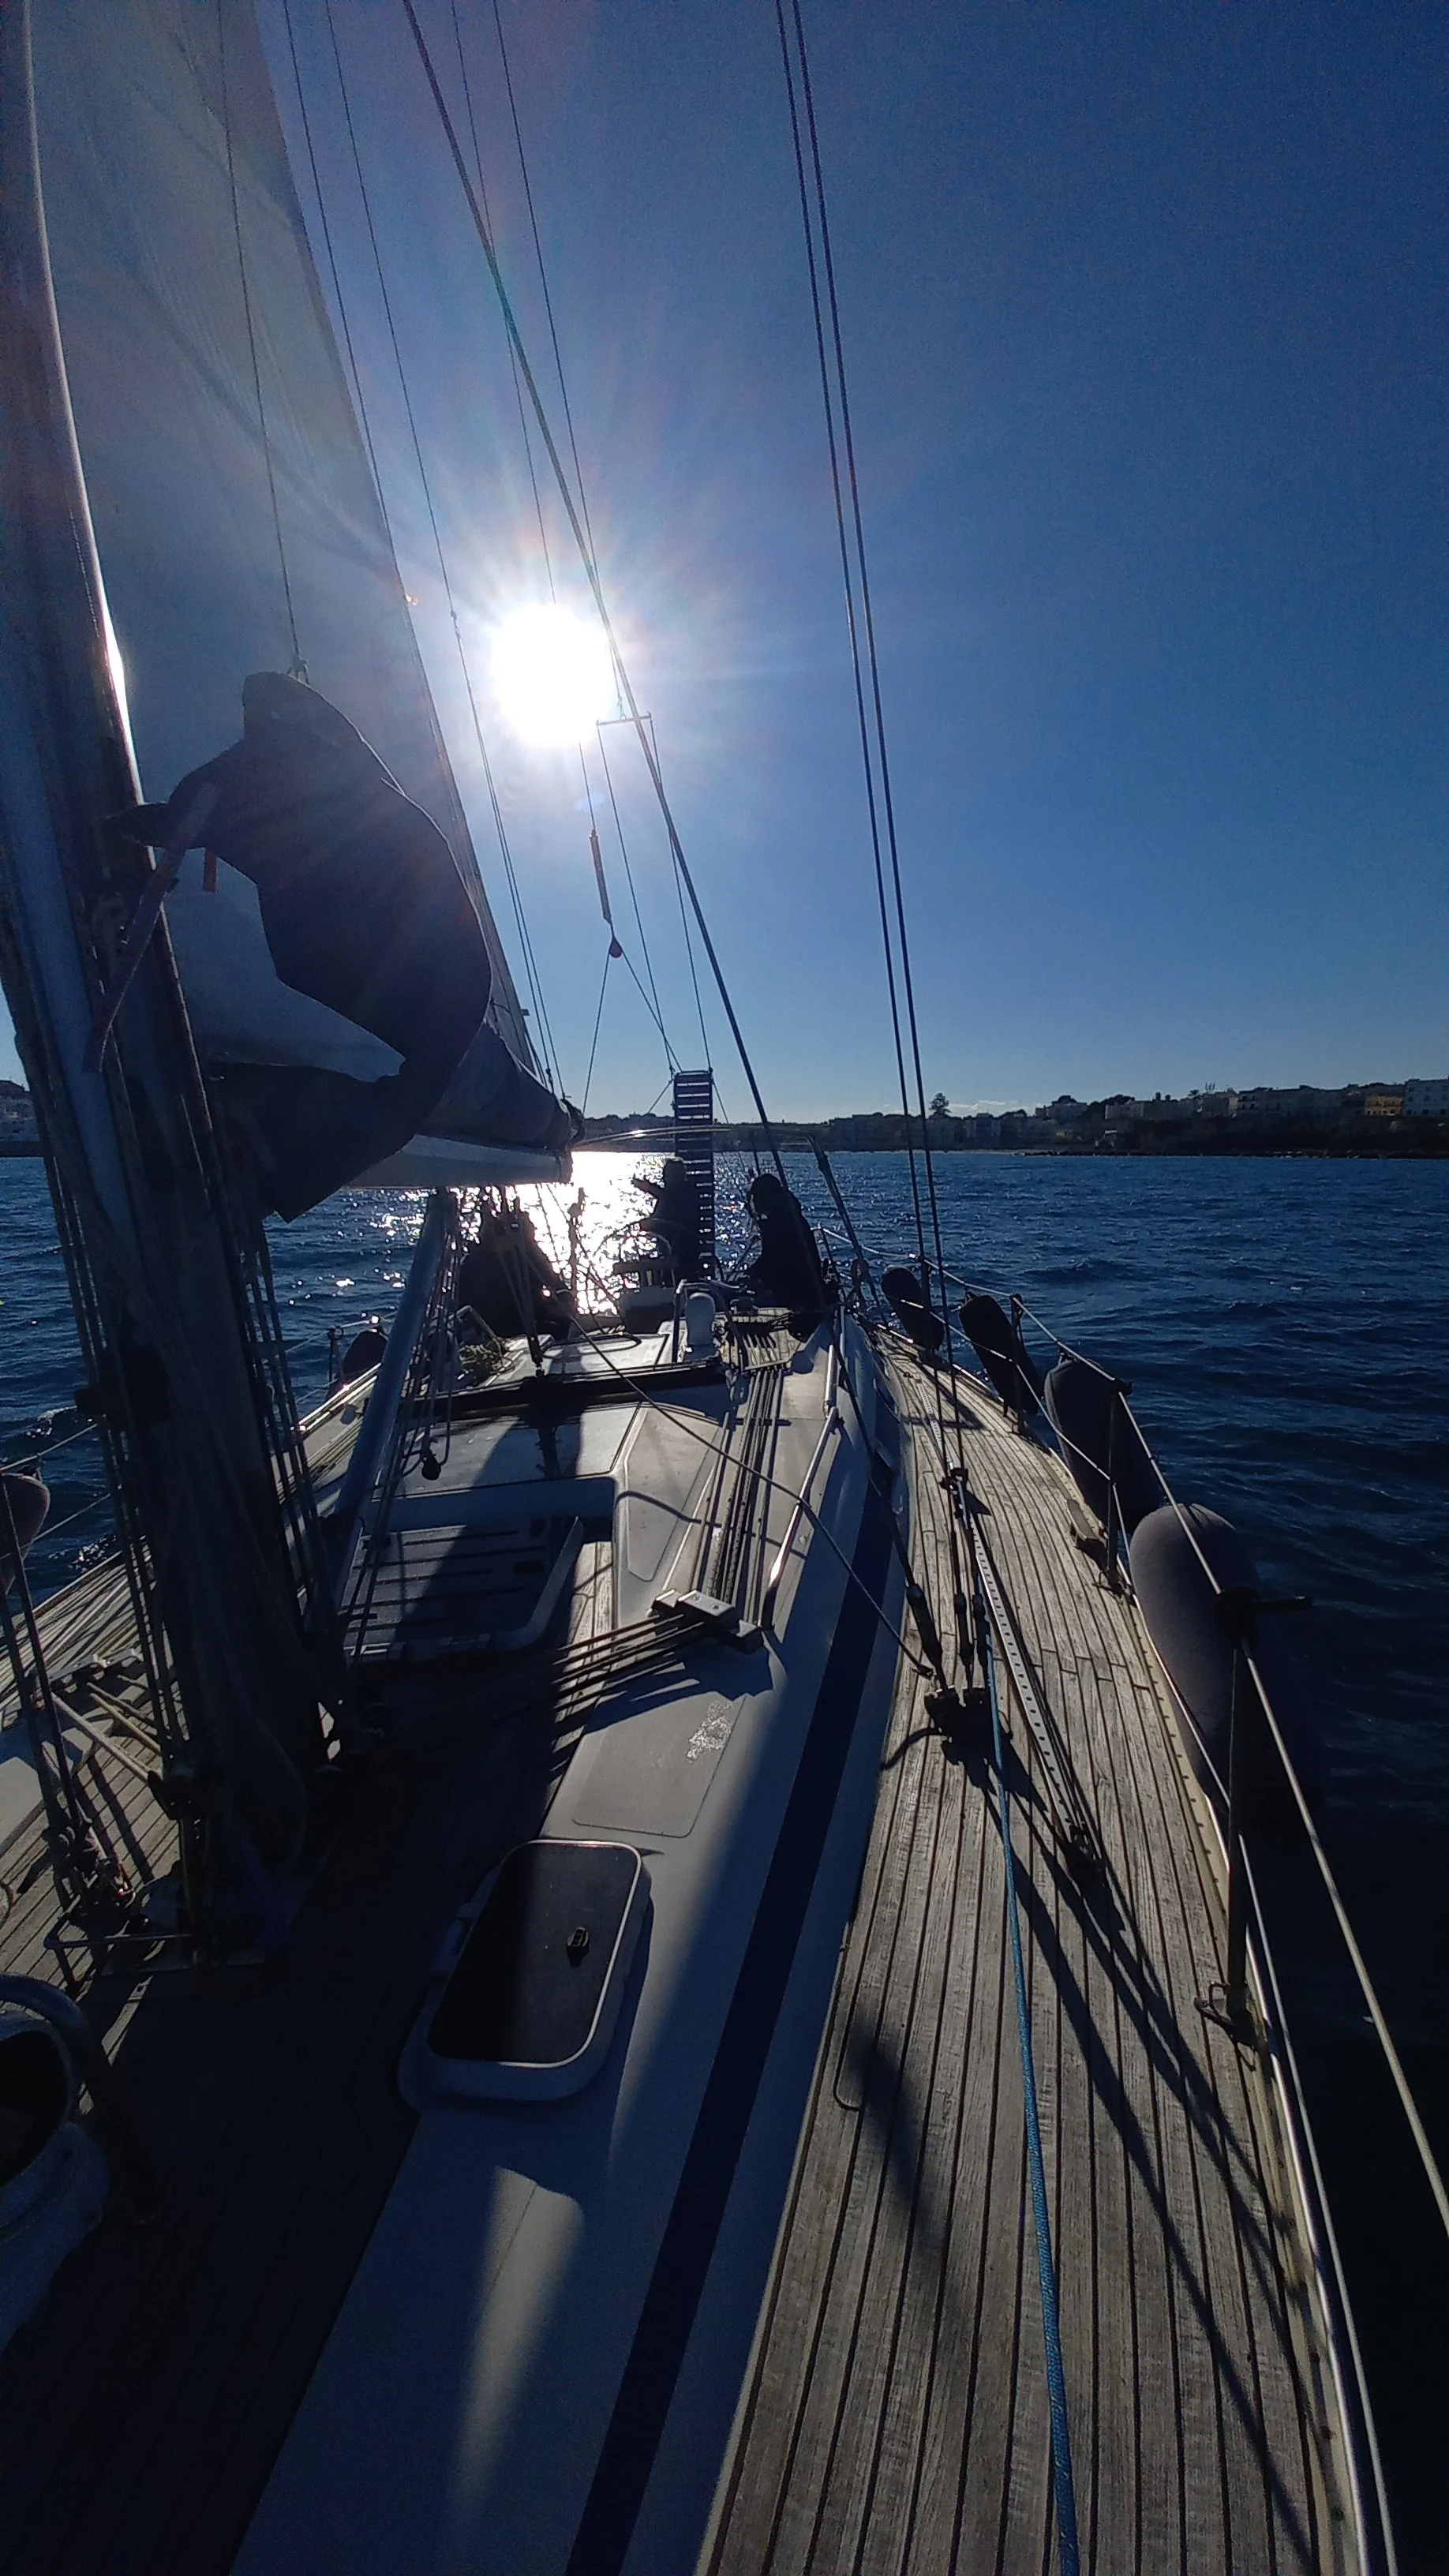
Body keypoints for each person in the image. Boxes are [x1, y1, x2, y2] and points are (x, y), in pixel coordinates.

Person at [456, 1204, 574, 1341]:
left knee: (564, 1325)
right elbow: (466, 1308)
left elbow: (555, 1285)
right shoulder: (472, 1266)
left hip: (533, 1325)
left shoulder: (528, 1256)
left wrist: (563, 1301)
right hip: (495, 1333)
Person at [743, 1172, 828, 1317]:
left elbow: (769, 1263)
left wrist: (749, 1275)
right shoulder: (790, 1216)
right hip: (805, 1288)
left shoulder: (779, 1225)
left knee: (736, 1302)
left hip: (794, 1294)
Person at [633, 1158, 702, 1279]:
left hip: (682, 1254)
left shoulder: (686, 1194)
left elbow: (669, 1203)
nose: (668, 1178)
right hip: (672, 1251)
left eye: (672, 1175)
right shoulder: (675, 1195)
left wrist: (649, 1188)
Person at [882, 1264, 944, 1357]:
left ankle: (924, 1348)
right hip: (930, 1329)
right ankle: (925, 1349)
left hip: (926, 1330)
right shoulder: (937, 1329)